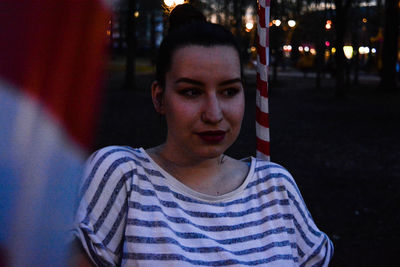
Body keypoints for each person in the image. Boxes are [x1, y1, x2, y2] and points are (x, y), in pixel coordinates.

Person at [72, 4, 333, 266]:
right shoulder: (123, 177)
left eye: (229, 91)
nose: (214, 114)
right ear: (159, 98)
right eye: (191, 92)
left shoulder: (277, 186)